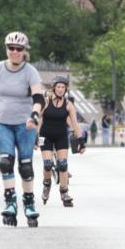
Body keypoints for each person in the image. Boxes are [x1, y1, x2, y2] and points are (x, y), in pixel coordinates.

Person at [0, 31, 45, 228]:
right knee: (6, 162)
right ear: (6, 49)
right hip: (2, 122)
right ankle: (10, 202)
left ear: (25, 51)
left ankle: (29, 203)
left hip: (26, 124)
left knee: (25, 165)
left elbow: (38, 97)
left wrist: (34, 114)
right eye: (11, 48)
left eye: (19, 49)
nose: (14, 52)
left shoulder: (30, 71)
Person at [39, 75, 85, 208]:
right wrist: (34, 137)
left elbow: (75, 124)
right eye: (58, 87)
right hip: (45, 136)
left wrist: (81, 140)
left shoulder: (68, 104)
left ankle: (64, 192)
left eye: (63, 87)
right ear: (54, 88)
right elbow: (38, 119)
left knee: (63, 165)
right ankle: (46, 185)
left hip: (61, 137)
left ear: (66, 89)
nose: (60, 89)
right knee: (47, 164)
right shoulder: (46, 102)